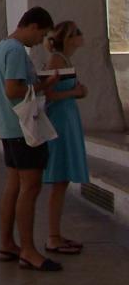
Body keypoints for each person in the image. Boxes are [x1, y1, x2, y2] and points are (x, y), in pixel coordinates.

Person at [0, 6, 62, 272]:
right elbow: (13, 89)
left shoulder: (2, 46)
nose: (40, 40)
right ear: (31, 26)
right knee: (30, 187)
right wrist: (43, 86)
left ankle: (8, 243)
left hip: (9, 129)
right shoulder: (17, 50)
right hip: (24, 129)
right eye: (41, 34)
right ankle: (29, 250)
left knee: (13, 185)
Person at [42, 21, 89, 254]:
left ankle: (57, 234)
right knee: (59, 181)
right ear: (69, 37)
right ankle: (52, 236)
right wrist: (74, 92)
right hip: (60, 121)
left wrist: (76, 93)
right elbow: (49, 93)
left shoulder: (65, 60)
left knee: (63, 181)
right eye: (77, 33)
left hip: (68, 118)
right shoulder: (57, 60)